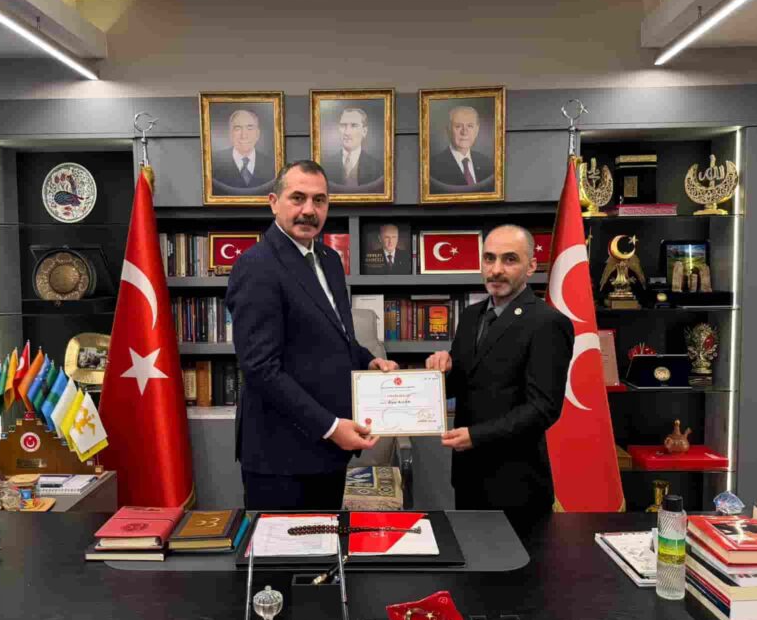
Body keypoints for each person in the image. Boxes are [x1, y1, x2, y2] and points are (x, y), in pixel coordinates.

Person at [226, 160, 399, 510]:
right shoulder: (257, 265)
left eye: (319, 200)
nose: (309, 210)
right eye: (298, 198)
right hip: (282, 460)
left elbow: (336, 335)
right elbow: (260, 368)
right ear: (274, 202)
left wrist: (370, 361)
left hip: (328, 455)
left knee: (326, 543)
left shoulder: (329, 259)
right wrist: (332, 427)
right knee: (283, 548)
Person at [425, 225, 573, 543]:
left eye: (509, 260)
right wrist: (441, 371)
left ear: (531, 266)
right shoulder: (470, 316)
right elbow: (462, 383)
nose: (495, 270)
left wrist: (477, 436)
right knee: (472, 567)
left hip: (517, 486)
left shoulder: (548, 323)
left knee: (522, 574)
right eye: (489, 258)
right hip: (467, 478)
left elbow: (543, 408)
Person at [429, 105, 494, 190]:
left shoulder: (487, 163)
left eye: (470, 126)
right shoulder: (433, 167)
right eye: (458, 126)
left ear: (477, 130)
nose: (464, 132)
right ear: (448, 130)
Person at [211, 109, 275, 191]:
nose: (244, 135)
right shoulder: (213, 164)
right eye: (238, 128)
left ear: (257, 134)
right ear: (230, 134)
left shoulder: (272, 165)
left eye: (250, 128)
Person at [323, 107, 384, 189]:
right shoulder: (325, 166)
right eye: (343, 125)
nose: (347, 132)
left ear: (364, 131)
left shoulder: (377, 168)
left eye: (354, 125)